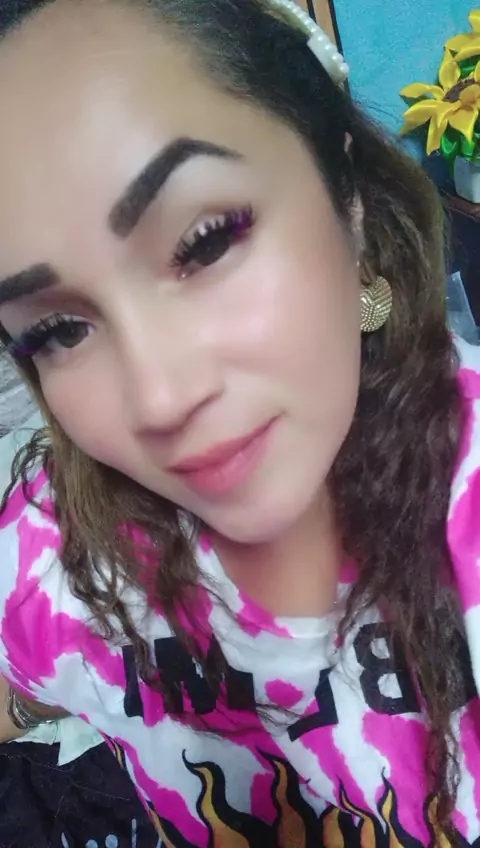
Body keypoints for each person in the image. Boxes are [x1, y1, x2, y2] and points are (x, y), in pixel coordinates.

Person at [0, 0, 479, 844]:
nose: (159, 398)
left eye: (207, 242)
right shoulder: (51, 551)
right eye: (59, 330)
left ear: (348, 199)